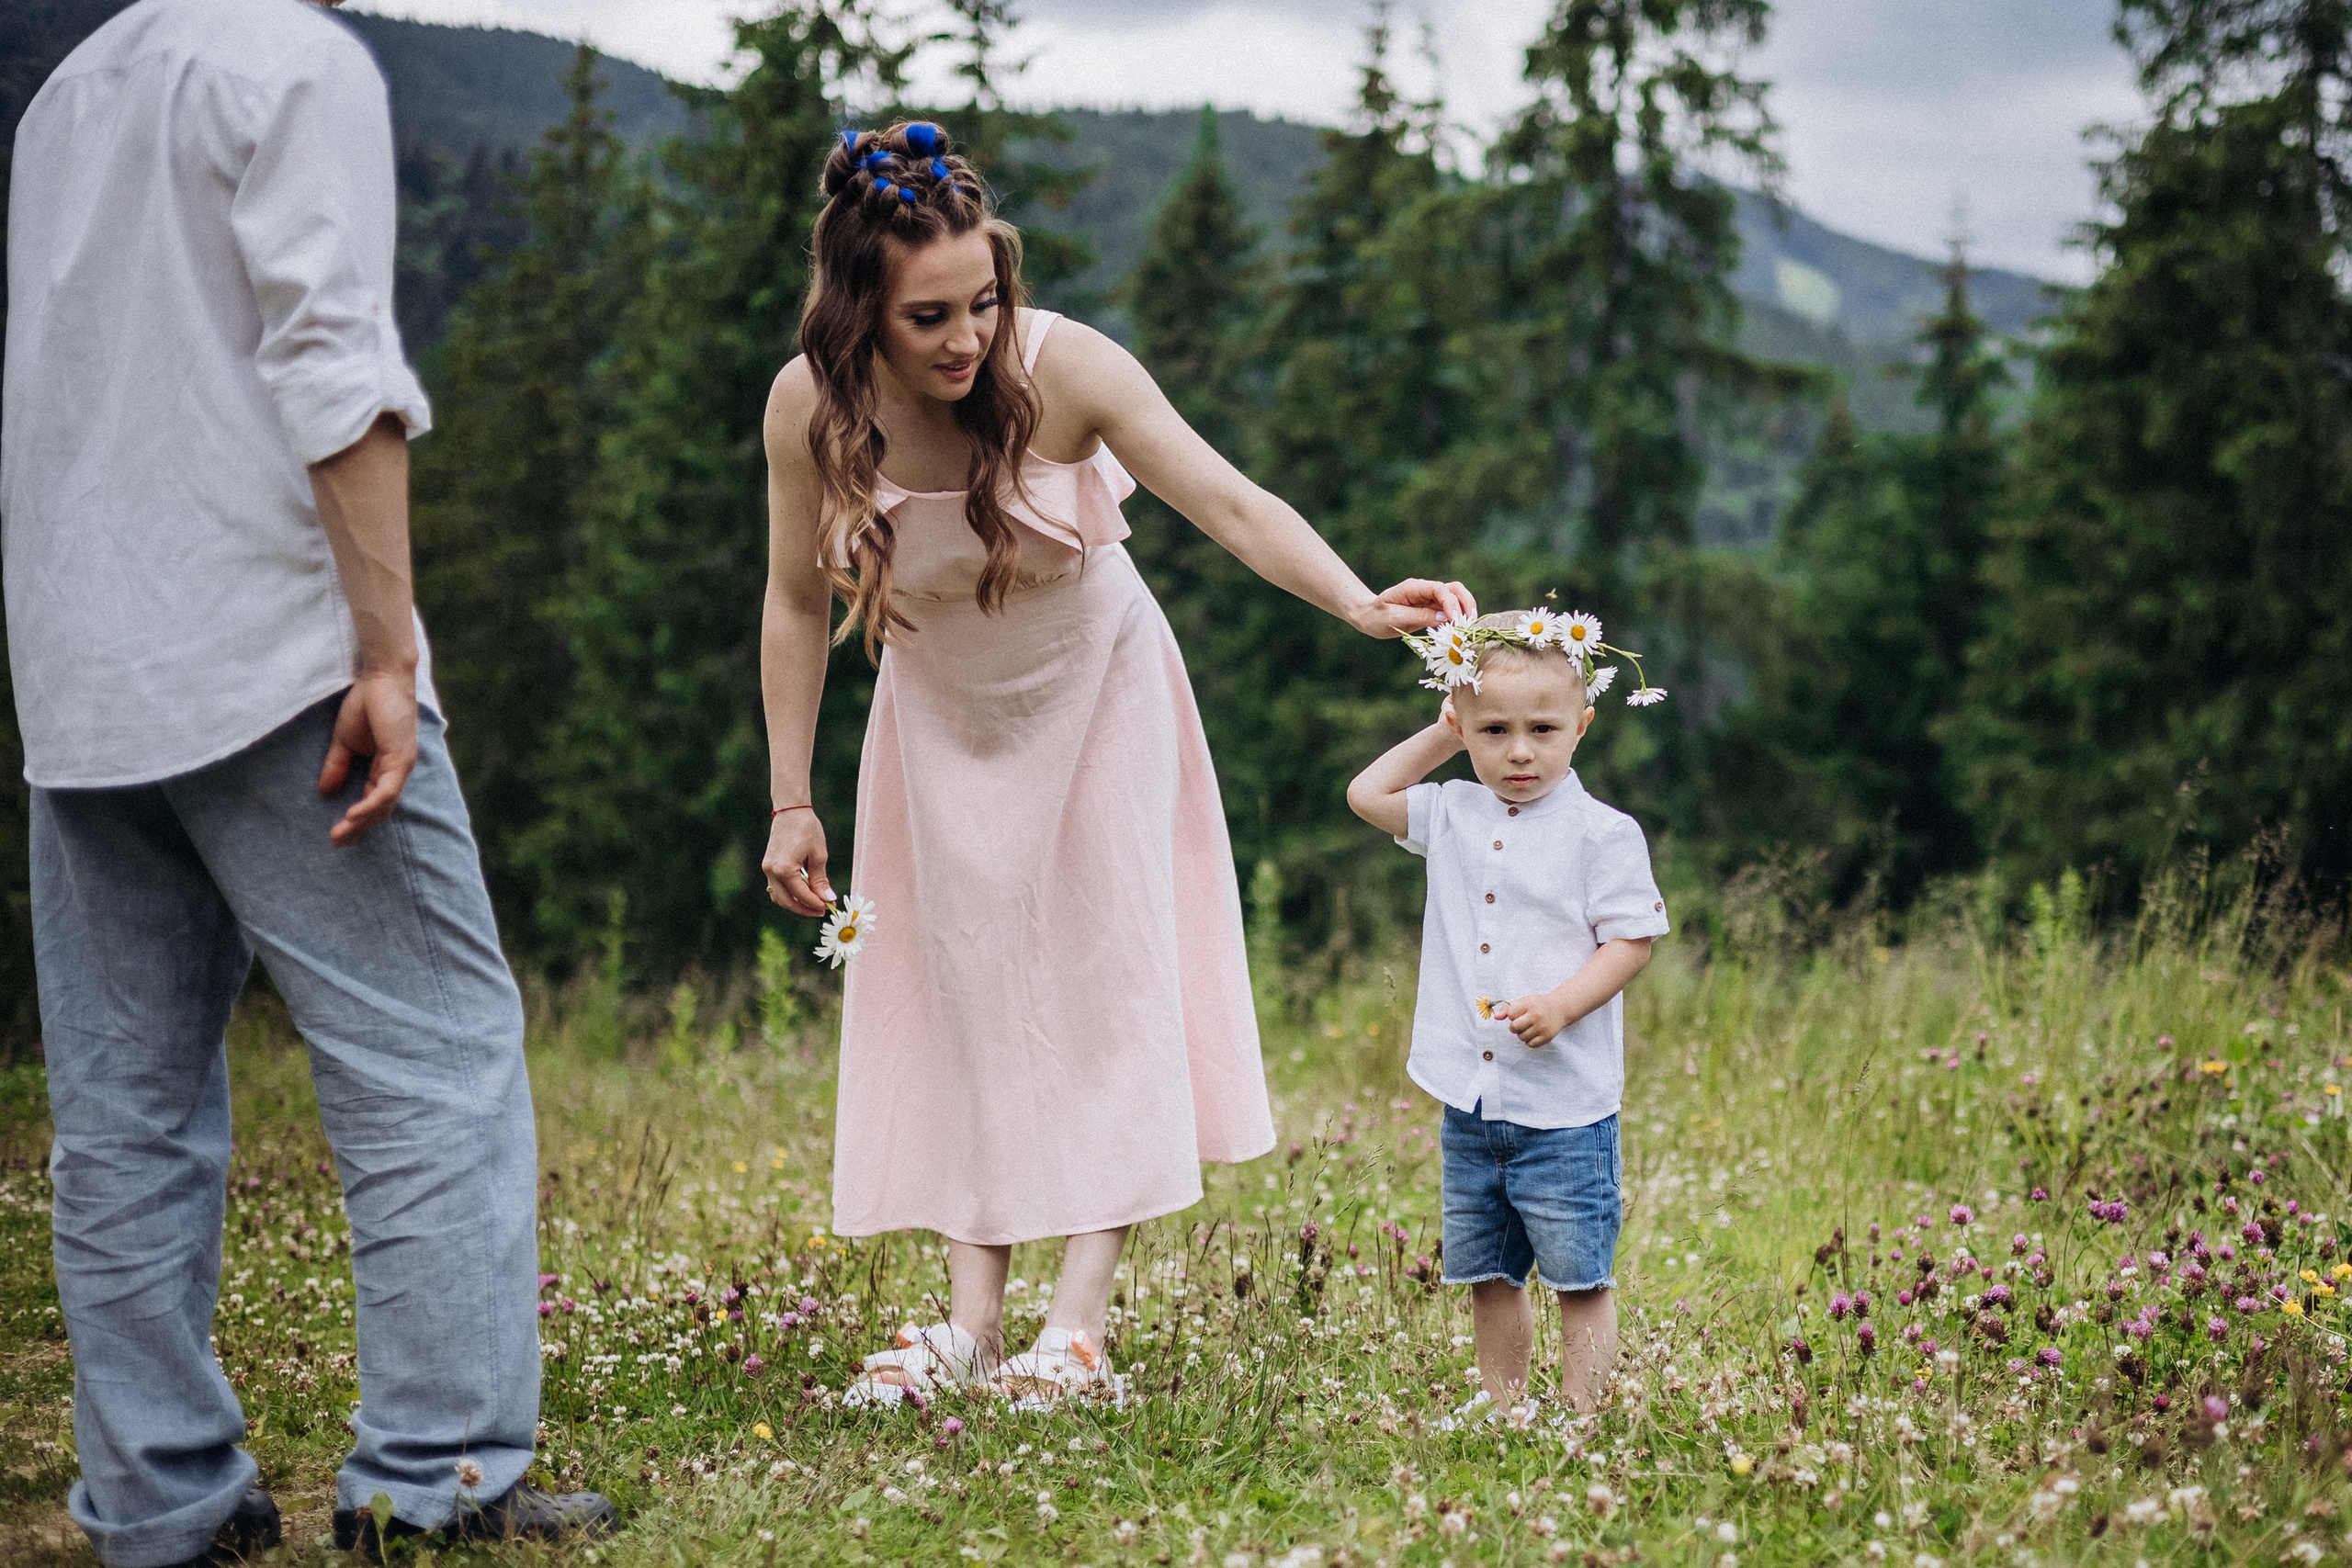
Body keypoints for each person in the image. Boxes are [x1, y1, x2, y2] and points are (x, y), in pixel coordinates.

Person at [2, 0, 612, 1560]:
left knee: (124, 1115)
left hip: (80, 671)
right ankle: (437, 1473)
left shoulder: (68, 93)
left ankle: (160, 1498)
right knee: (433, 1059)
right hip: (276, 655)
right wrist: (386, 651)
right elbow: (334, 362)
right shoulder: (294, 60)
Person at [758, 120, 1473, 1404]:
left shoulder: (1069, 369)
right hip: (936, 726)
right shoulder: (810, 407)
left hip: (1097, 699)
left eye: (984, 298)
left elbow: (1229, 500)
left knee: (1106, 980)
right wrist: (792, 798)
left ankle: (1075, 1326)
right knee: (961, 991)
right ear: (858, 308)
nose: (967, 334)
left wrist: (1362, 602)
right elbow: (795, 604)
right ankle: (968, 1323)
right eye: (929, 315)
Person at [1346, 609, 1670, 1421]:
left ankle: (1581, 1410)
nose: (1518, 750)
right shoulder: (1453, 810)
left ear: (1582, 726)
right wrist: (1444, 736)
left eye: (1541, 728)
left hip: (1565, 1102)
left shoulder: (1604, 833)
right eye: (1493, 729)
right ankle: (1505, 1402)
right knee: (1485, 1269)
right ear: (1462, 726)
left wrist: (1562, 1004)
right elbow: (1366, 793)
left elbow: (1631, 941)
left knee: (1578, 1274)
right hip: (1472, 1095)